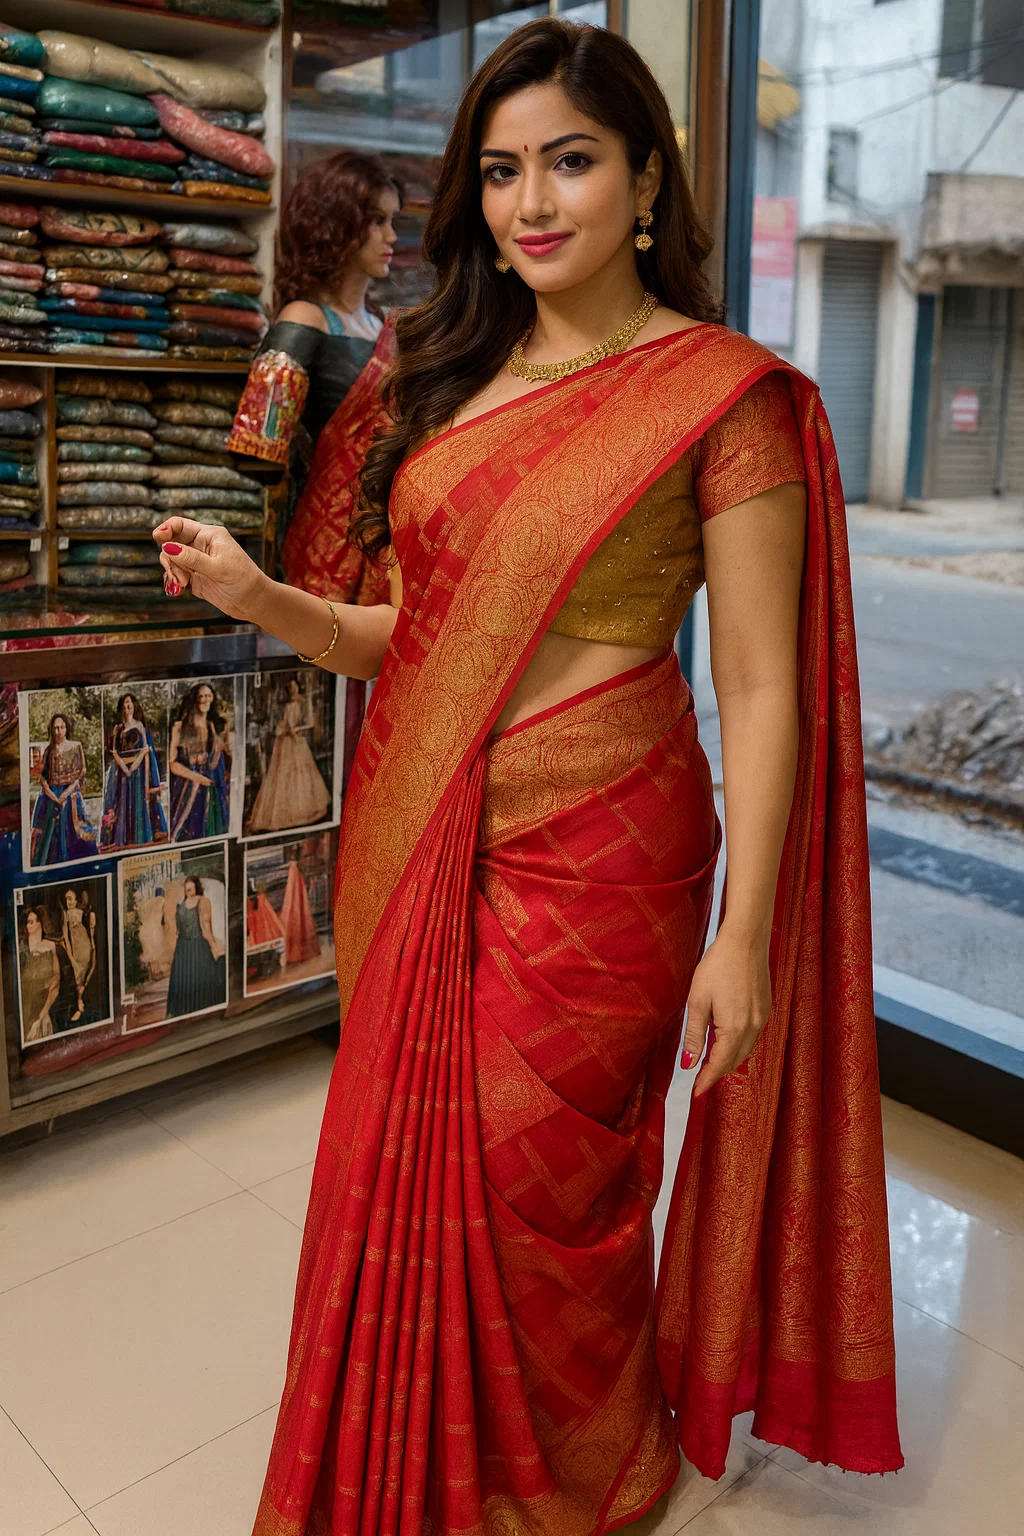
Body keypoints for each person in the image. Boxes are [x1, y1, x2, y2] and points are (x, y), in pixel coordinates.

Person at [155, 20, 902, 1534]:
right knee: (414, 1173)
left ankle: (575, 1467)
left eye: (570, 162)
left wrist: (744, 937)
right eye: (502, 172)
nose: (531, 204)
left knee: (538, 1181)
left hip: (613, 846)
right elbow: (406, 637)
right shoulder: (450, 378)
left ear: (645, 182)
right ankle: (438, 1458)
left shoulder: (724, 396)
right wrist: (264, 602)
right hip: (434, 830)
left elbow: (758, 683)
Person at [227, 151, 404, 790]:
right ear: (338, 225)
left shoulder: (389, 329)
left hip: (393, 551)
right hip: (328, 555)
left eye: (392, 222)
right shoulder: (305, 322)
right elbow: (256, 447)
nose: (391, 237)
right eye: (377, 222)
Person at [248, 676, 331, 832]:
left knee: (300, 774)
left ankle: (303, 810)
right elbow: (283, 722)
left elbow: (310, 722)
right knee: (282, 773)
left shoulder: (303, 702)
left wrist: (297, 729)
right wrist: (282, 728)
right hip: (285, 741)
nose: (292, 690)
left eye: (294, 686)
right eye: (289, 687)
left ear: (298, 687)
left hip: (297, 740)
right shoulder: (286, 705)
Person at [100, 692, 168, 852]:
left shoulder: (140, 727)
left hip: (137, 773)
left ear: (134, 706)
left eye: (129, 704)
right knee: (123, 801)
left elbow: (146, 749)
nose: (126, 708)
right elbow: (114, 751)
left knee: (137, 801)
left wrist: (133, 767)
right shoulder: (118, 729)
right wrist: (124, 768)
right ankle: (123, 838)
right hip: (123, 772)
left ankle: (139, 836)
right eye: (123, 705)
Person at [29, 712, 97, 866]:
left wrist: (65, 795)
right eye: (55, 728)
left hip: (70, 794)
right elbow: (43, 777)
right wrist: (51, 794)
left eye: (61, 727)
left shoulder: (75, 746)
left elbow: (80, 775)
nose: (58, 731)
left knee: (73, 831)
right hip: (51, 795)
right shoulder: (49, 750)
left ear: (66, 728)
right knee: (48, 837)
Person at [168, 683, 230, 843]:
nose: (205, 700)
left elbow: (216, 760)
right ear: (194, 699)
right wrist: (197, 778)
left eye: (209, 696)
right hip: (187, 786)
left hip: (211, 785)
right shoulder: (180, 727)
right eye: (201, 696)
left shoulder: (212, 726)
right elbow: (172, 763)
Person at [165, 875, 225, 1018]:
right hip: (198, 949)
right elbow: (206, 930)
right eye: (188, 890)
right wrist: (214, 949)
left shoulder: (180, 908)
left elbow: (177, 931)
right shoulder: (203, 901)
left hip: (181, 952)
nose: (189, 893)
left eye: (189, 890)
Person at [19, 907, 61, 1046]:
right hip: (26, 1002)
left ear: (40, 923)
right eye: (28, 922)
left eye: (33, 921)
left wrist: (44, 1011)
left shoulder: (50, 945)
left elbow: (57, 977)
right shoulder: (22, 948)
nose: (29, 925)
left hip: (44, 1002)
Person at [60, 886, 96, 1024]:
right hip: (74, 948)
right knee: (77, 978)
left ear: (76, 900)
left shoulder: (82, 912)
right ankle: (79, 1005)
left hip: (83, 945)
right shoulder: (65, 914)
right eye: (66, 899)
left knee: (83, 976)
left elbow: (90, 926)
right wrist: (71, 957)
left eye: (70, 898)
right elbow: (66, 937)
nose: (68, 901)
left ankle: (80, 1005)